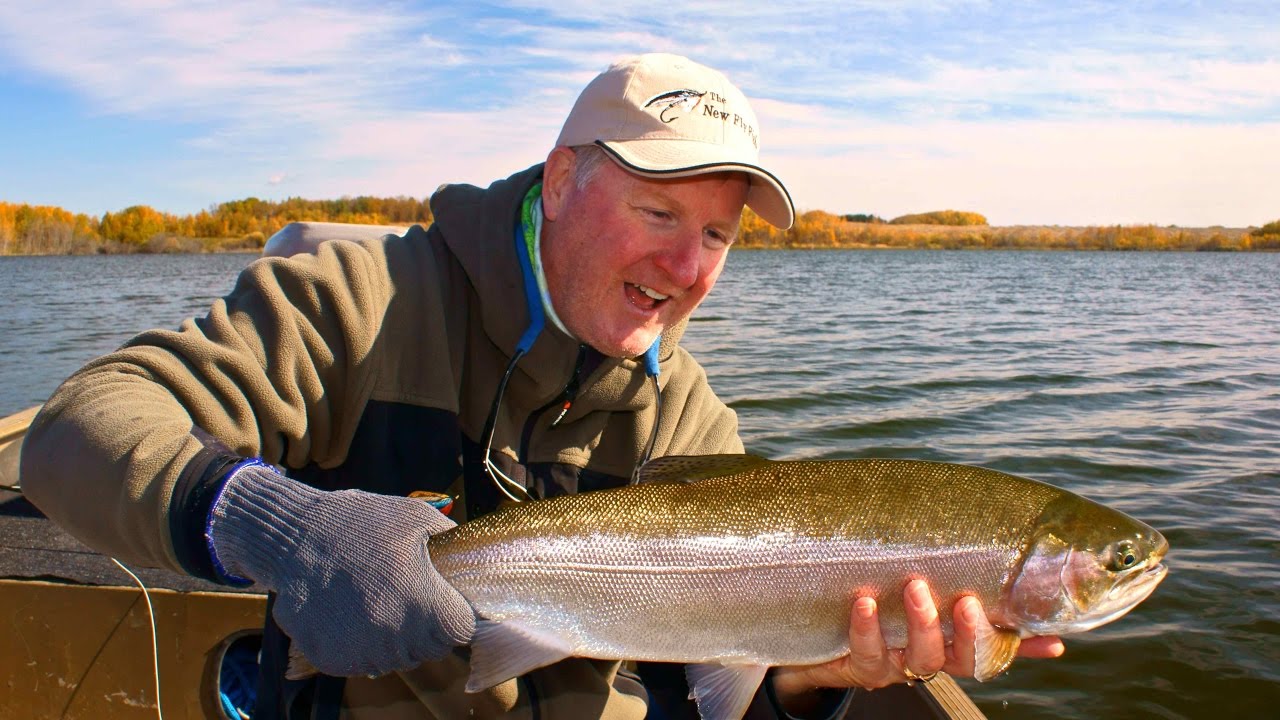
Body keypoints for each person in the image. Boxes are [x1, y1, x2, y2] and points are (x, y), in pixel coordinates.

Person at [21, 53, 1062, 719]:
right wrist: (277, 525)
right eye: (659, 214)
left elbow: (712, 687)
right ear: (562, 180)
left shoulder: (690, 418)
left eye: (716, 235)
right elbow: (78, 429)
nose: (686, 268)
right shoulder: (362, 301)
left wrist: (809, 676)